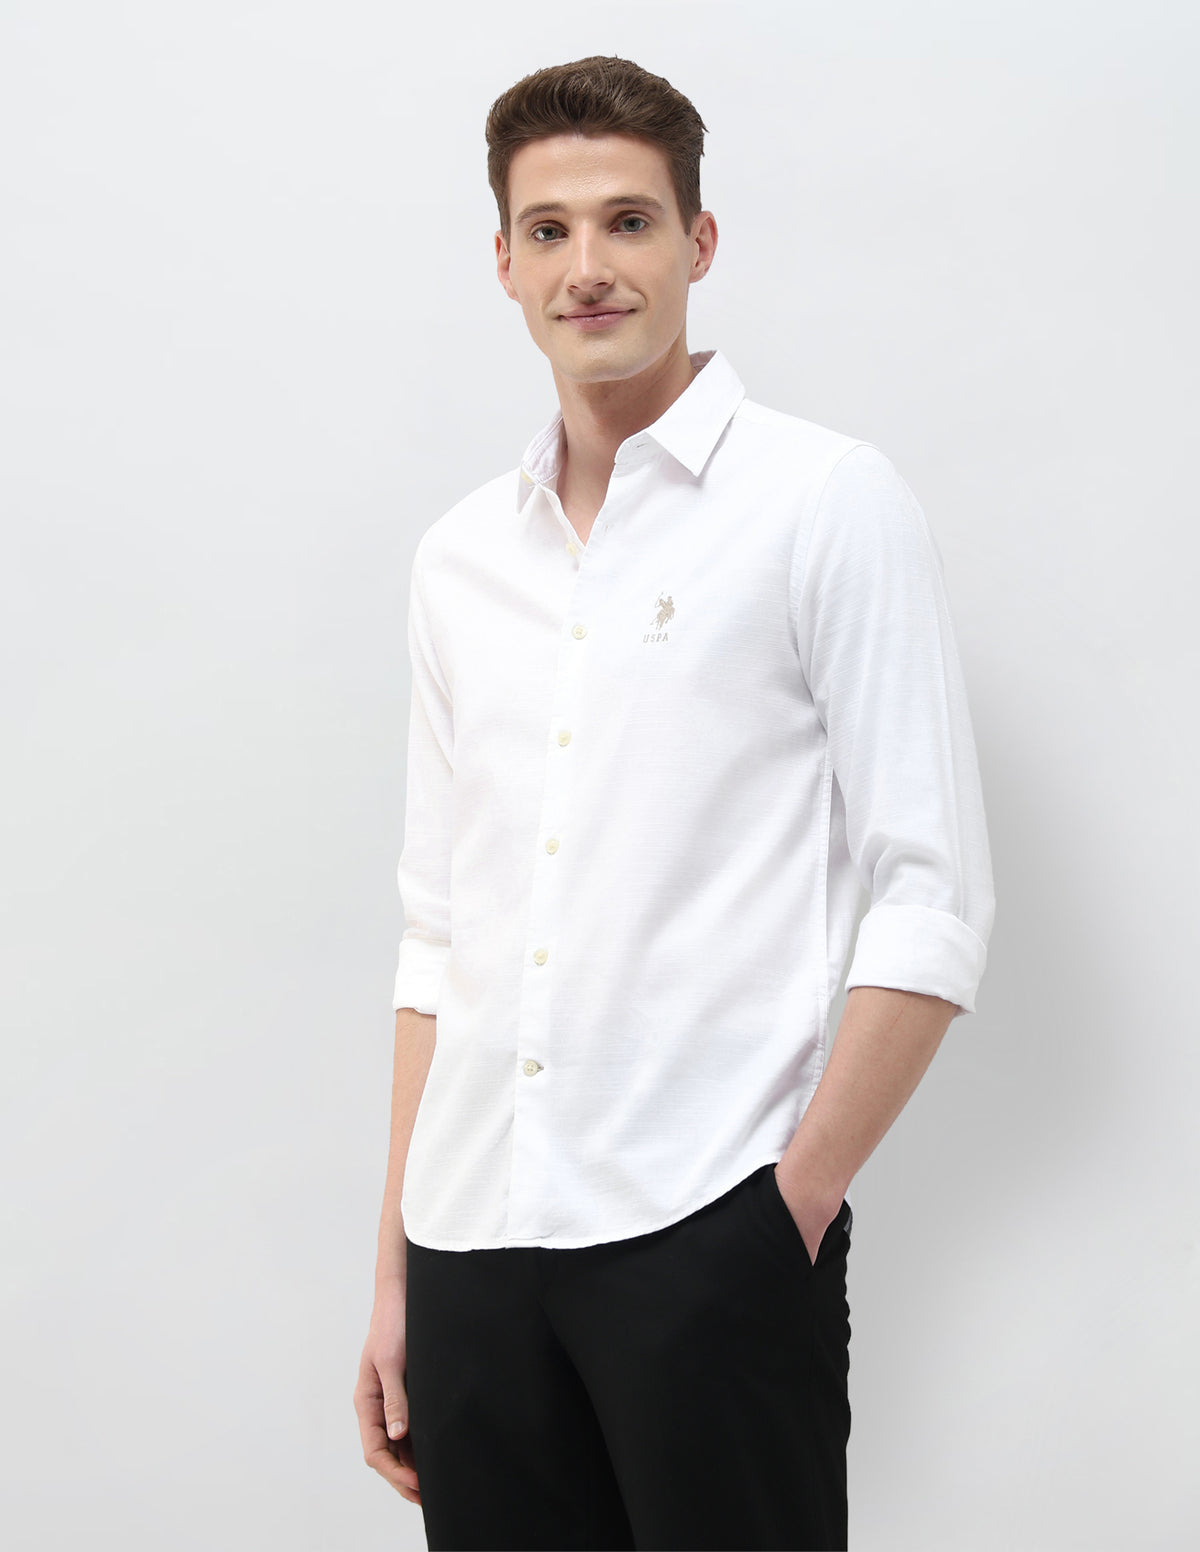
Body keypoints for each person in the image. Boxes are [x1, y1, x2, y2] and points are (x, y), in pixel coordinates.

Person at [353, 54, 995, 1552]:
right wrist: (395, 1276)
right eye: (551, 229)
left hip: (708, 1231)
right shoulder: (459, 560)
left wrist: (790, 1207)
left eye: (628, 222)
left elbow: (934, 895)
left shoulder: (824, 503)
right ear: (504, 262)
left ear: (699, 244)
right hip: (470, 1247)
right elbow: (437, 937)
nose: (589, 266)